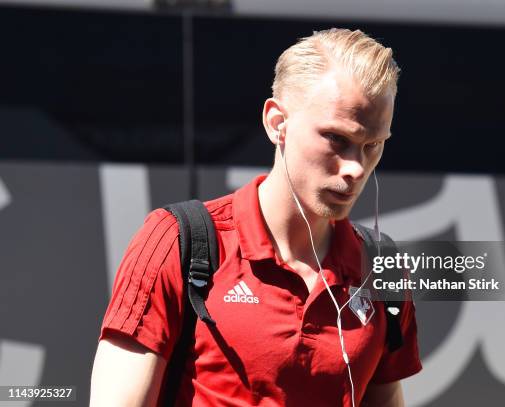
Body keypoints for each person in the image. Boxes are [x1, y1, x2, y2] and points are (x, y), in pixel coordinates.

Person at [90, 28, 421, 407]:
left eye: (372, 145)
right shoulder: (177, 241)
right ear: (277, 122)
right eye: (336, 139)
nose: (356, 169)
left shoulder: (382, 269)